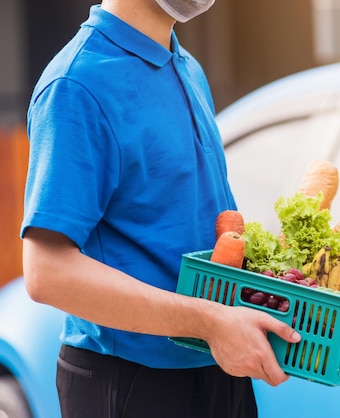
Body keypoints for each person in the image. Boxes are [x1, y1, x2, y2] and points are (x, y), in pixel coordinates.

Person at [20, 0, 301, 417]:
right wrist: (209, 321)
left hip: (217, 367)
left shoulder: (185, 65)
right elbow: (48, 273)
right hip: (133, 380)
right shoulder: (76, 84)